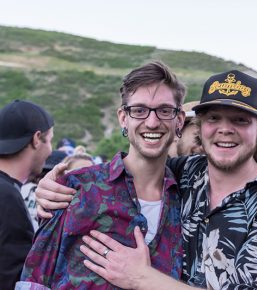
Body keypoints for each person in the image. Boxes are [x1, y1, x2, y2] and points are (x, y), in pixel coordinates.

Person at [36, 70, 257, 289]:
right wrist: (52, 187)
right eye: (214, 118)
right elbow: (137, 163)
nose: (225, 129)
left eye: (240, 120)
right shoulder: (186, 174)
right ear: (198, 126)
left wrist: (144, 278)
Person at [17, 61, 186, 289]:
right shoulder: (76, 187)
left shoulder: (187, 199)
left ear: (179, 120)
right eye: (139, 110)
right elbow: (35, 278)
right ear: (123, 118)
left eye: (165, 110)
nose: (153, 122)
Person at [0, 100, 54, 290]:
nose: (51, 150)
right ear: (36, 139)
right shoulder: (7, 196)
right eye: (50, 140)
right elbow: (12, 278)